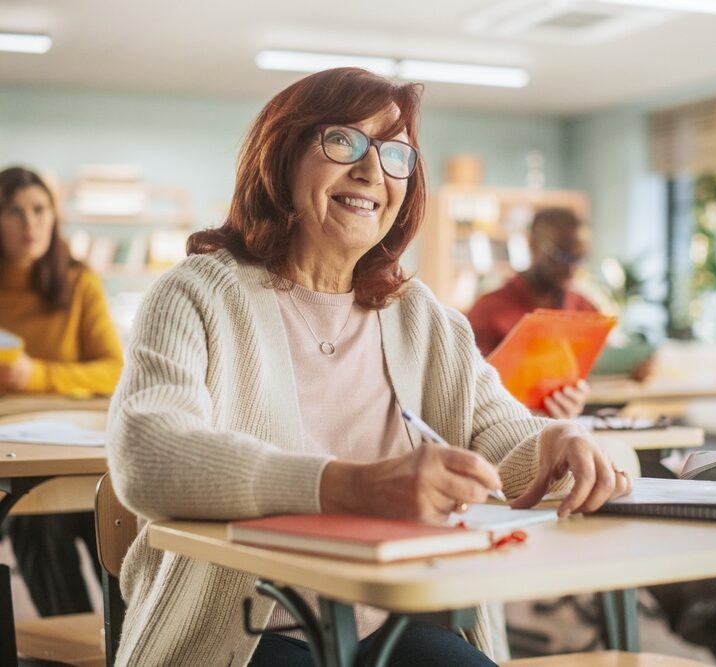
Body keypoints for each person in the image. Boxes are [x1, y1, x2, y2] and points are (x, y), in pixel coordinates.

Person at [107, 67, 632, 667]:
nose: (371, 171)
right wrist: (351, 487)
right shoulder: (196, 294)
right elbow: (146, 457)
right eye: (343, 142)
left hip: (385, 624)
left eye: (395, 154)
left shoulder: (423, 318)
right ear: (280, 158)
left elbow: (505, 447)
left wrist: (558, 440)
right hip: (243, 630)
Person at [0, 165, 123, 616]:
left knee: (114, 524)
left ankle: (128, 645)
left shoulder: (79, 282)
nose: (30, 224)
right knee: (35, 524)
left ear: (54, 218)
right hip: (20, 457)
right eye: (13, 211)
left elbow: (114, 371)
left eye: (39, 210)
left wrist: (37, 376)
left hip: (81, 449)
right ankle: (67, 646)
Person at [467, 208, 596, 419]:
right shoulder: (489, 310)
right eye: (562, 256)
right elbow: (469, 390)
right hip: (504, 428)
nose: (571, 269)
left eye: (579, 258)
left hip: (569, 423)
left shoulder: (584, 308)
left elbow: (596, 370)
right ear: (533, 245)